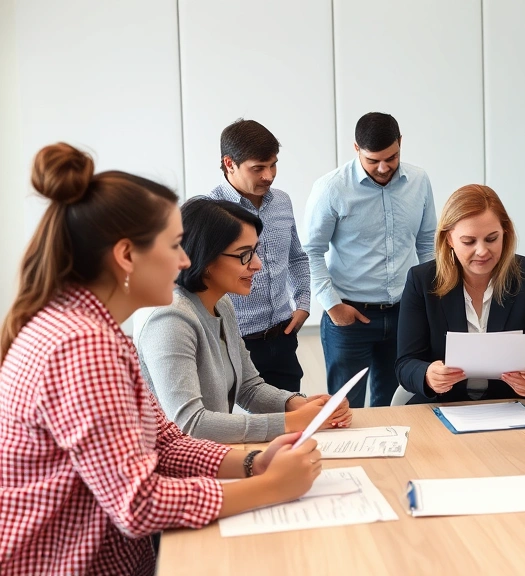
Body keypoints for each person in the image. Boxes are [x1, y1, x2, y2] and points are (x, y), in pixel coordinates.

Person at [0, 144, 324, 575]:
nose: (186, 260)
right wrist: (268, 487)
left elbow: (165, 440)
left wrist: (251, 463)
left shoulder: (93, 331)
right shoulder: (81, 347)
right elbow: (138, 502)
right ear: (126, 256)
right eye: (175, 245)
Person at [136, 198, 351, 444]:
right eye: (245, 255)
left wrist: (298, 404)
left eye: (255, 251)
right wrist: (293, 421)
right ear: (205, 259)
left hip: (212, 454)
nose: (257, 264)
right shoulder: (169, 318)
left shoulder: (221, 303)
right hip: (174, 467)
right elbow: (190, 424)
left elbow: (249, 387)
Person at [305, 112, 436, 407]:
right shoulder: (331, 188)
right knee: (345, 407)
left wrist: (430, 299)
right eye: (372, 160)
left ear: (400, 143)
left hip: (406, 313)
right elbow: (311, 250)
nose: (383, 167)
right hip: (349, 317)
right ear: (356, 149)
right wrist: (333, 305)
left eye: (391, 157)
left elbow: (427, 243)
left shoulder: (419, 180)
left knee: (393, 405)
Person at [396, 184, 525, 403]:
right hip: (442, 404)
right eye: (469, 241)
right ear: (449, 239)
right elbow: (406, 363)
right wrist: (427, 375)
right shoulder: (422, 280)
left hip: (514, 403)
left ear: (505, 232)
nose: (483, 251)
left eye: (492, 239)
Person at [207, 119, 310, 393]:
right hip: (234, 342)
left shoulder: (283, 201)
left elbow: (297, 258)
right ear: (229, 163)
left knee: (291, 418)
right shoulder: (209, 211)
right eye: (258, 168)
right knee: (240, 430)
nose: (269, 175)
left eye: (273, 164)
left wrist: (303, 303)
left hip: (283, 336)